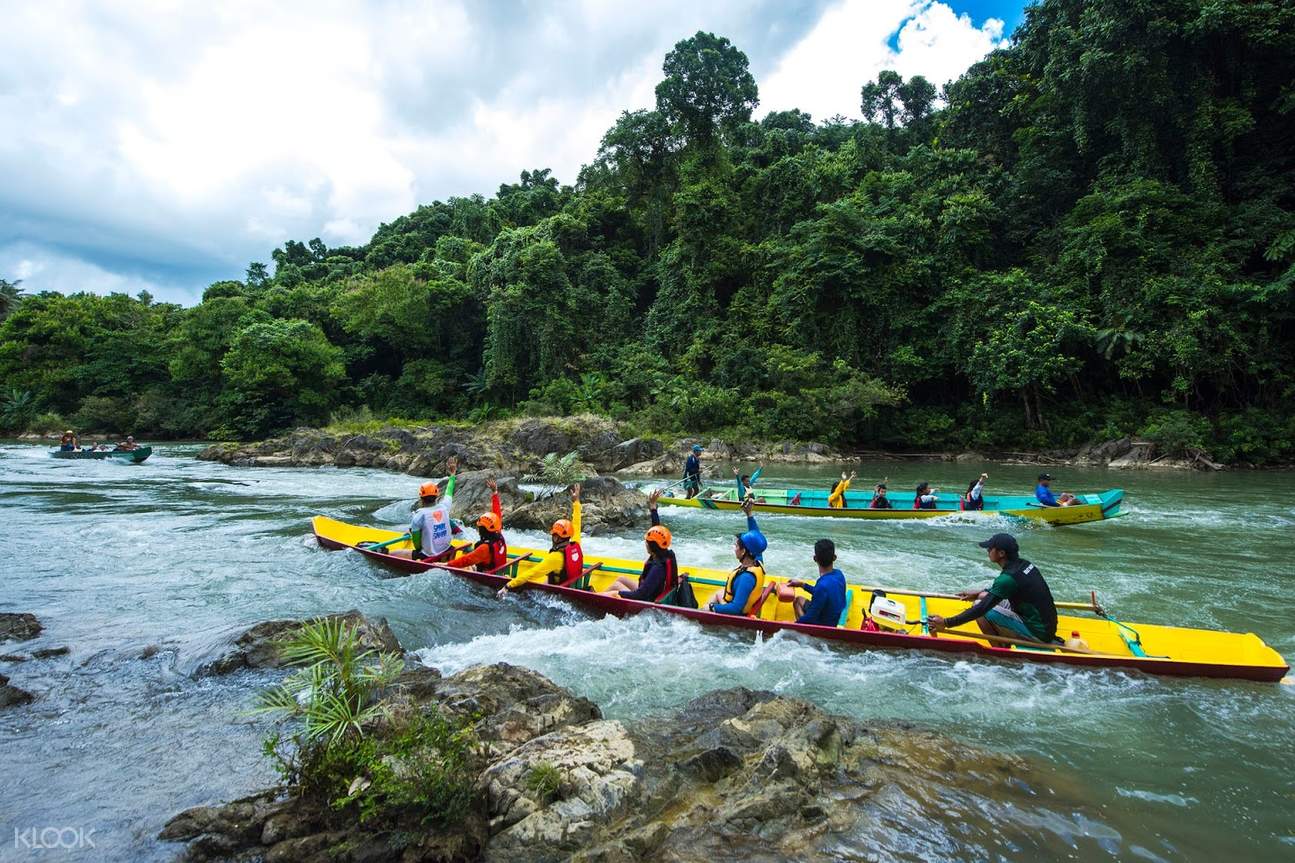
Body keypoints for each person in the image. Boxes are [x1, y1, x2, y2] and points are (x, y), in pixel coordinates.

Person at [927, 533, 1058, 644]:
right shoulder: (1024, 565)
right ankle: (1003, 642)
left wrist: (946, 622)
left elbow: (981, 609)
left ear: (1001, 553)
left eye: (990, 548)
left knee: (980, 606)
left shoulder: (1007, 578)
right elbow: (1004, 589)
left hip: (1038, 633)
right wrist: (979, 593)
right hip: (1045, 625)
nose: (988, 550)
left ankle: (1000, 650)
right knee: (982, 597)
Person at [497, 484, 582, 598]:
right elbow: (576, 523)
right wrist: (576, 502)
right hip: (570, 585)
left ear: (557, 537)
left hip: (559, 595)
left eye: (554, 535)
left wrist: (508, 585)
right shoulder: (575, 543)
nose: (552, 537)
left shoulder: (556, 557)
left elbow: (532, 573)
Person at [601, 489, 677, 601]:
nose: (645, 543)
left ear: (652, 546)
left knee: (616, 587)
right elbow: (656, 528)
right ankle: (601, 596)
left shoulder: (658, 567)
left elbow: (640, 595)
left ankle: (595, 599)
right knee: (621, 579)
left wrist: (617, 593)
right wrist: (652, 506)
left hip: (647, 600)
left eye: (647, 542)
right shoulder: (662, 552)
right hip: (653, 591)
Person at [392, 456, 459, 562]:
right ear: (437, 496)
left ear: (421, 498)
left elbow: (417, 545)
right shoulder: (445, 506)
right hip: (447, 550)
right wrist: (452, 475)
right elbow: (449, 491)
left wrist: (414, 538)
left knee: (393, 553)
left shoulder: (419, 516)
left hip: (429, 556)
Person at [708, 499, 767, 615]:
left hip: (739, 615)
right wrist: (749, 514)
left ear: (744, 551)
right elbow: (755, 535)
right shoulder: (757, 560)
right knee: (720, 593)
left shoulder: (746, 578)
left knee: (707, 607)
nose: (734, 548)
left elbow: (736, 608)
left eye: (736, 545)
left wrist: (711, 607)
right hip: (745, 607)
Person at [447, 477, 507, 572]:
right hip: (498, 571)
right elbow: (497, 514)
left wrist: (446, 565)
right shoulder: (498, 533)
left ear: (482, 530)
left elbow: (466, 560)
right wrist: (495, 493)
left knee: (464, 565)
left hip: (487, 577)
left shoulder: (484, 548)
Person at [785, 539, 847, 626]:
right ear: (834, 557)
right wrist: (802, 585)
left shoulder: (822, 585)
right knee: (798, 600)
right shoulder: (839, 575)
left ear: (815, 558)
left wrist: (790, 625)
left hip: (824, 626)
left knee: (800, 610)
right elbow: (823, 593)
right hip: (833, 619)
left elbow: (810, 618)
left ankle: (804, 632)